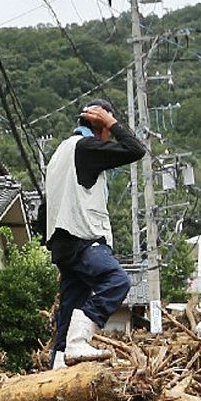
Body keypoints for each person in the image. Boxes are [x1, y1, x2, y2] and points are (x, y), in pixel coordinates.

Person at [42, 98, 147, 366]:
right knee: (117, 280)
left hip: (62, 243)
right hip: (83, 237)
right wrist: (111, 122)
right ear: (100, 125)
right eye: (107, 129)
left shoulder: (58, 155)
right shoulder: (86, 147)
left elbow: (44, 208)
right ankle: (79, 343)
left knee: (69, 309)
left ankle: (57, 368)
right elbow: (135, 150)